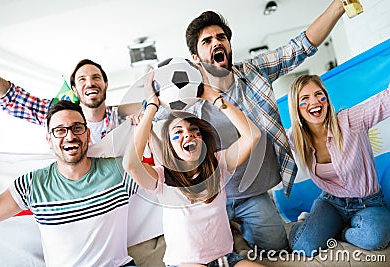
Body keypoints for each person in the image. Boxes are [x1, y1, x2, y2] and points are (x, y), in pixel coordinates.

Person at [183, 0, 345, 252]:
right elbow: (156, 117)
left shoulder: (253, 72)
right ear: (195, 58)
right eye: (207, 41)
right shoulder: (187, 100)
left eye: (221, 37)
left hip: (255, 194)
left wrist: (338, 6)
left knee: (278, 252)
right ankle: (235, 237)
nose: (217, 42)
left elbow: (299, 47)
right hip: (212, 199)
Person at [123, 72, 263, 267]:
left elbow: (253, 136)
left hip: (226, 259)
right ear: (170, 147)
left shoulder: (218, 163)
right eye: (178, 133)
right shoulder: (162, 178)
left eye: (193, 130)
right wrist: (151, 109)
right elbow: (130, 164)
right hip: (185, 263)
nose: (187, 135)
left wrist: (213, 97)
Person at [0, 100, 138, 266]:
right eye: (60, 130)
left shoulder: (119, 170)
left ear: (88, 134)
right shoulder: (31, 185)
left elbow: (165, 177)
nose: (70, 136)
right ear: (49, 139)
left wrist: (145, 122)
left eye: (77, 128)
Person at [286, 74, 390, 256]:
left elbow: (385, 100)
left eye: (319, 94)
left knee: (376, 236)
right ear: (297, 108)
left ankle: (341, 231)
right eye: (305, 98)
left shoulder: (351, 120)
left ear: (326, 97)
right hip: (331, 202)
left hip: (368, 203)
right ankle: (310, 222)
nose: (315, 101)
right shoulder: (295, 137)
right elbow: (265, 141)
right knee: (303, 246)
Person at [0, 59, 141, 144]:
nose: (90, 83)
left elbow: (159, 111)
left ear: (106, 84)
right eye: (82, 79)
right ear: (74, 89)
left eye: (96, 77)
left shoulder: (123, 118)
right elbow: (12, 97)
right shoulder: (59, 116)